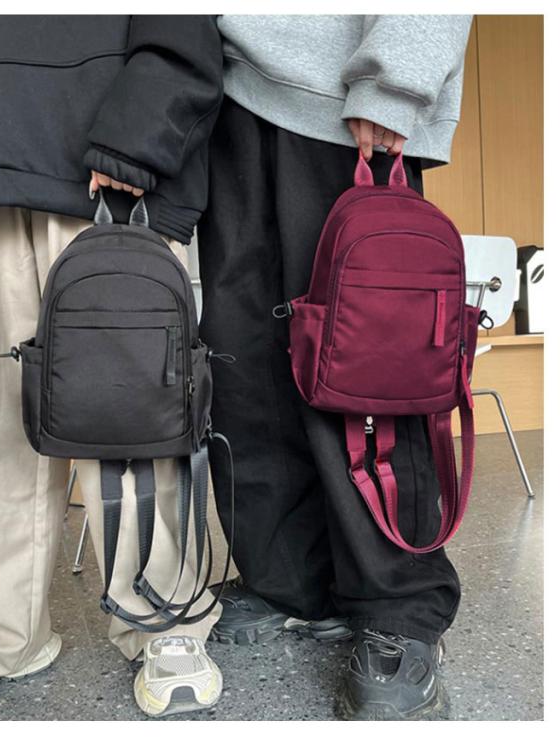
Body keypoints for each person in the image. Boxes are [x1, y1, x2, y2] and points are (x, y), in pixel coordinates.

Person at [0, 14, 225, 718]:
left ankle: (163, 616)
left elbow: (183, 28)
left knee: (131, 412)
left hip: (107, 166)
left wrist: (139, 137)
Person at [197, 15, 473, 720]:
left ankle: (400, 607)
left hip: (346, 103)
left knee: (369, 369)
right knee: (246, 369)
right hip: (230, 103)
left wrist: (395, 82)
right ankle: (291, 582)